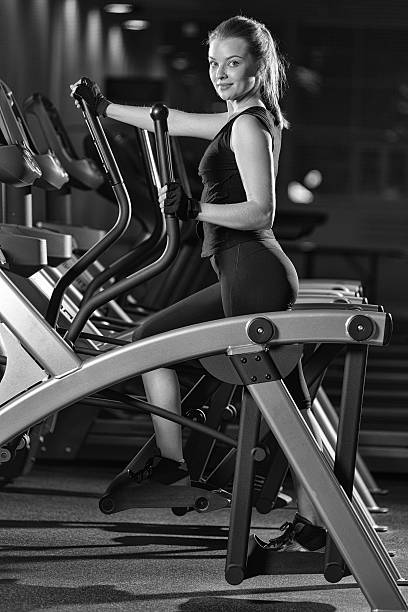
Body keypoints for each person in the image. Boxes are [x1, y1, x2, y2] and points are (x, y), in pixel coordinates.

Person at [72, 14, 326, 552]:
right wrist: (104, 109)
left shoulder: (252, 127)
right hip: (238, 270)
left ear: (258, 69)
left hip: (252, 269)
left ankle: (310, 520)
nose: (221, 72)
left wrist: (194, 208)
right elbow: (174, 120)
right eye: (214, 63)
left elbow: (260, 211)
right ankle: (175, 465)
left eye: (233, 63)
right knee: (154, 342)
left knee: (287, 416)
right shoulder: (236, 120)